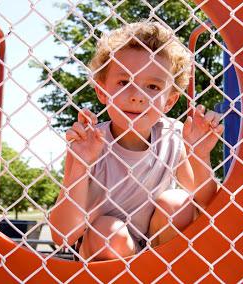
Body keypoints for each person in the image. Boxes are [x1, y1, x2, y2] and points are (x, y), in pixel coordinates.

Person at [49, 21, 224, 262]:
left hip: (158, 248)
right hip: (105, 253)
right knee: (108, 232)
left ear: (169, 102)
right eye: (124, 82)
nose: (137, 96)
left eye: (152, 86)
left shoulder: (174, 135)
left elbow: (205, 205)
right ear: (102, 92)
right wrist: (80, 164)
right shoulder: (91, 143)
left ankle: (163, 274)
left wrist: (200, 156)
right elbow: (62, 236)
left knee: (177, 203)